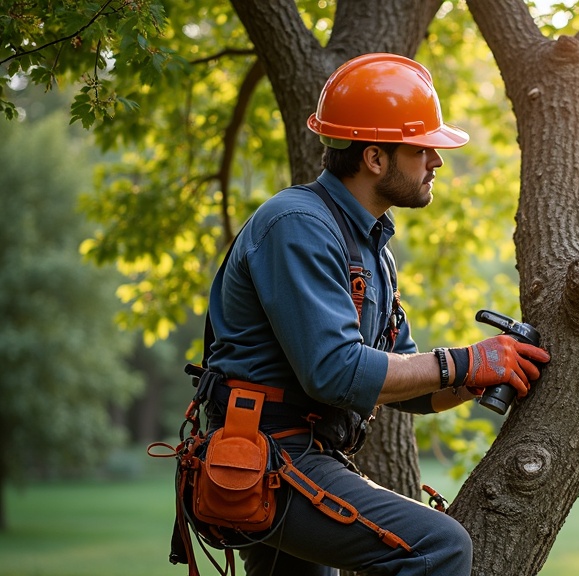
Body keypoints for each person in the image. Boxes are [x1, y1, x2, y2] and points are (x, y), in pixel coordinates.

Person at [203, 53, 550, 575]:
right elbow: (335, 371)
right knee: (441, 548)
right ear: (374, 158)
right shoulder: (297, 225)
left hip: (302, 455)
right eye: (423, 148)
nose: (436, 160)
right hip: (268, 455)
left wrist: (479, 376)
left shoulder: (373, 250)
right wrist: (464, 361)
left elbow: (407, 380)